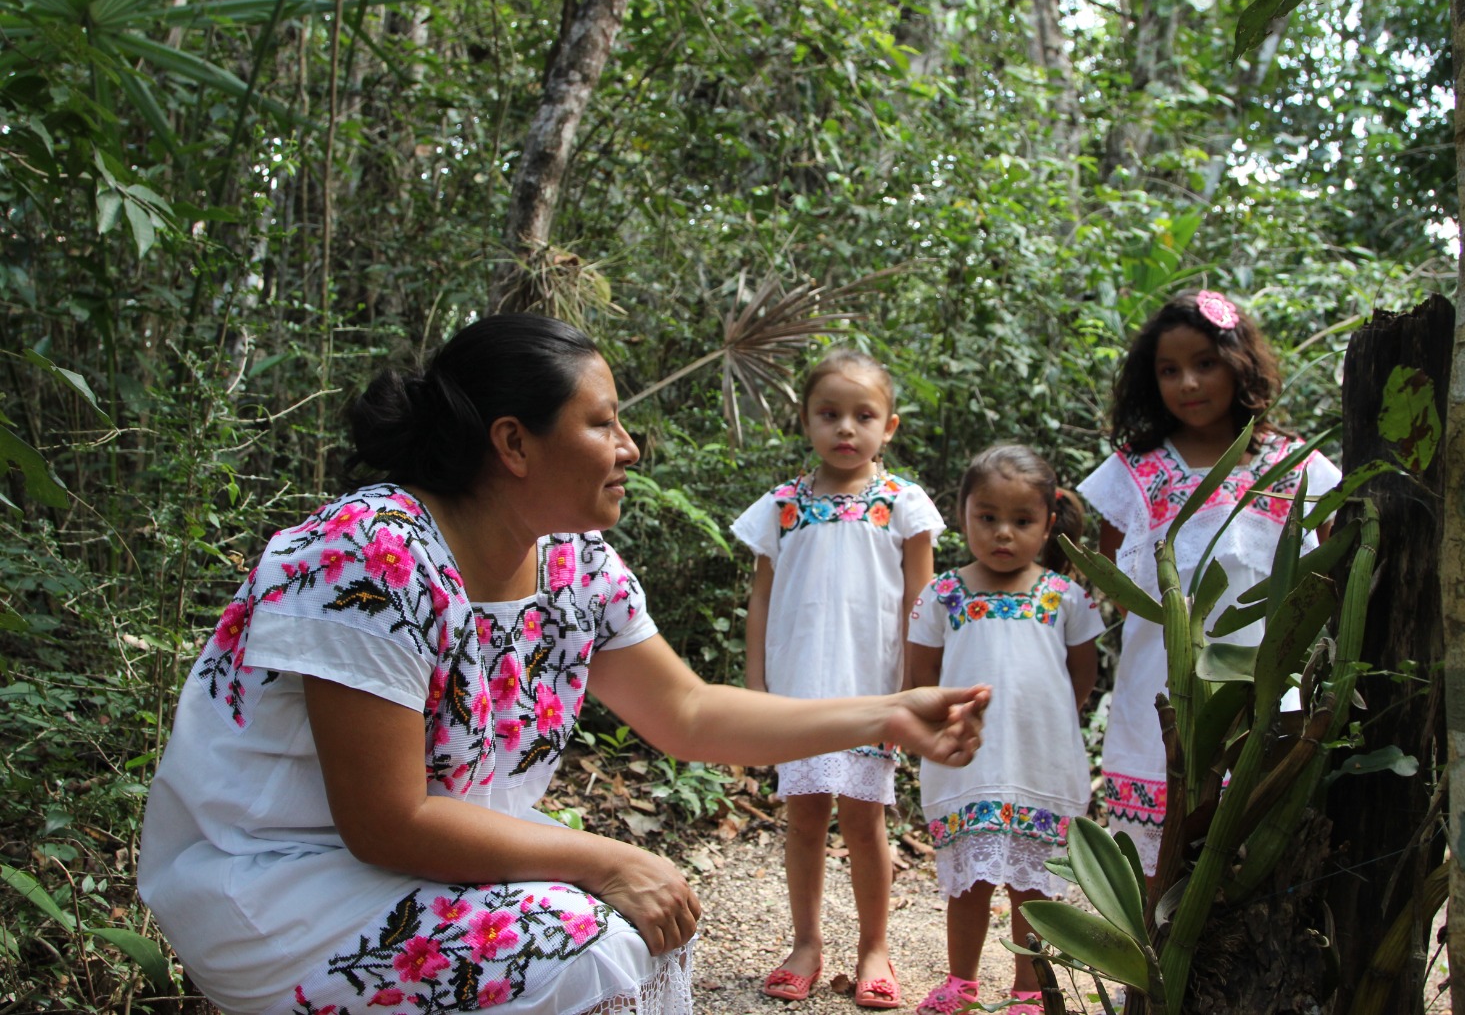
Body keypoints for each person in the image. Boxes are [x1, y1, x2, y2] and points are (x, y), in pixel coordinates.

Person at [137, 315, 989, 1015]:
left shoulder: (576, 564)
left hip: (423, 861)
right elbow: (384, 819)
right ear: (514, 443)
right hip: (291, 882)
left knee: (654, 925)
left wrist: (885, 714)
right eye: (602, 422)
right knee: (590, 943)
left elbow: (686, 713)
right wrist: (603, 857)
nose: (630, 447)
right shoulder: (369, 552)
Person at [1077, 289, 1340, 877]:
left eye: (1205, 364)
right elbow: (1111, 575)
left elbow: (1329, 572)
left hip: (1274, 693)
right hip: (1160, 695)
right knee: (1159, 866)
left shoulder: (1295, 465)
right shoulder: (1134, 471)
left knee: (1260, 859)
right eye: (1169, 371)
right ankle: (1152, 968)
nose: (1188, 383)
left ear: (1239, 363)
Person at [731, 347, 943, 1008]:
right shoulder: (782, 506)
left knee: (864, 820)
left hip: (872, 686)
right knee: (802, 817)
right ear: (806, 421)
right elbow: (762, 599)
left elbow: (923, 598)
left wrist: (919, 689)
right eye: (830, 415)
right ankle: (806, 943)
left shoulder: (902, 503)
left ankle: (874, 947)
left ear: (890, 427)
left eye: (863, 416)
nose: (846, 429)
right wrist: (755, 683)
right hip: (799, 688)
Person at [904, 446, 1104, 1015]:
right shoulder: (943, 594)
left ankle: (1028, 988)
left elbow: (1079, 680)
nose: (1002, 534)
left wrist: (1043, 720)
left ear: (1048, 523)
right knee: (969, 882)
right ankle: (961, 983)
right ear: (962, 512)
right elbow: (924, 680)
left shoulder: (1065, 596)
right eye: (987, 517)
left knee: (1032, 886)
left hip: (1040, 760)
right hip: (968, 760)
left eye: (1022, 521)